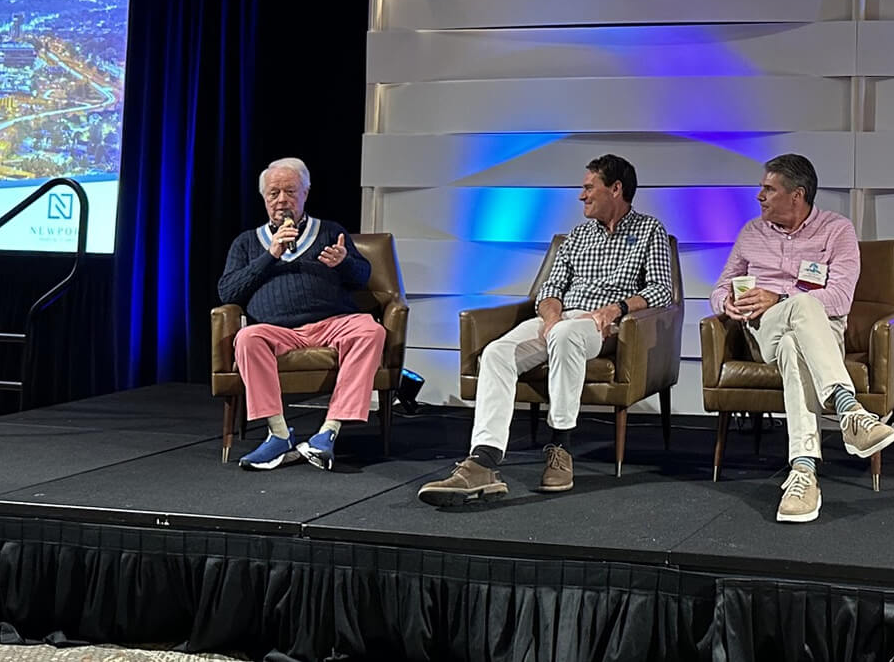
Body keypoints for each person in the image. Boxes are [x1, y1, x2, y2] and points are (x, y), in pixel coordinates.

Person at [419, 154, 674, 505]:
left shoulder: (649, 230)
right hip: (560, 319)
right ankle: (484, 461)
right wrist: (551, 317)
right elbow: (550, 288)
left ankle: (560, 447)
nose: (581, 196)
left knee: (566, 335)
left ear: (616, 189)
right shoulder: (578, 236)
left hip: (603, 326)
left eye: (588, 187)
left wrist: (615, 309)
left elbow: (661, 289)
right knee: (496, 353)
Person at [711, 154, 894, 523]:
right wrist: (727, 302)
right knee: (799, 309)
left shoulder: (836, 231)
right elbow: (719, 287)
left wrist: (783, 298)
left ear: (797, 195)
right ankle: (849, 412)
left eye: (768, 189)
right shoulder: (751, 233)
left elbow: (841, 299)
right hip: (764, 328)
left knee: (797, 336)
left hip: (820, 331)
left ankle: (803, 472)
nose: (759, 196)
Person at [216, 157, 384, 472]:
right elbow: (228, 292)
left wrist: (344, 262)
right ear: (264, 199)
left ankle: (328, 432)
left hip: (331, 324)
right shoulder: (247, 243)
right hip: (277, 330)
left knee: (370, 330)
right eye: (274, 193)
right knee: (247, 337)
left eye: (290, 192)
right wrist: (270, 255)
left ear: (305, 193)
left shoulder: (330, 231)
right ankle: (278, 434)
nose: (282, 200)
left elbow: (362, 276)